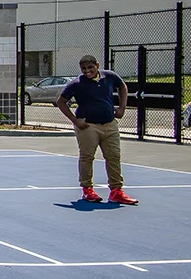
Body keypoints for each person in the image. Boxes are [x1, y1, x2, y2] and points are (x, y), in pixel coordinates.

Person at [56, 55, 137, 205]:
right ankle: (87, 189)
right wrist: (75, 121)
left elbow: (122, 87)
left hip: (109, 124)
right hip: (88, 126)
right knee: (87, 157)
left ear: (97, 65)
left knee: (113, 156)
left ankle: (116, 191)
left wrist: (122, 108)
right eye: (84, 69)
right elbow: (61, 102)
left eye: (90, 68)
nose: (87, 71)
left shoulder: (109, 76)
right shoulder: (76, 84)